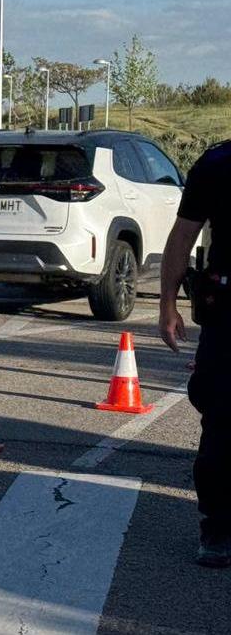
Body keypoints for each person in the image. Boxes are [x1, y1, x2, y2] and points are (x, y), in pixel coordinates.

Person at [159, 140, 231, 568]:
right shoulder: (219, 164)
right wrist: (167, 304)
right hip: (228, 318)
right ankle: (217, 527)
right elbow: (182, 236)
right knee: (222, 422)